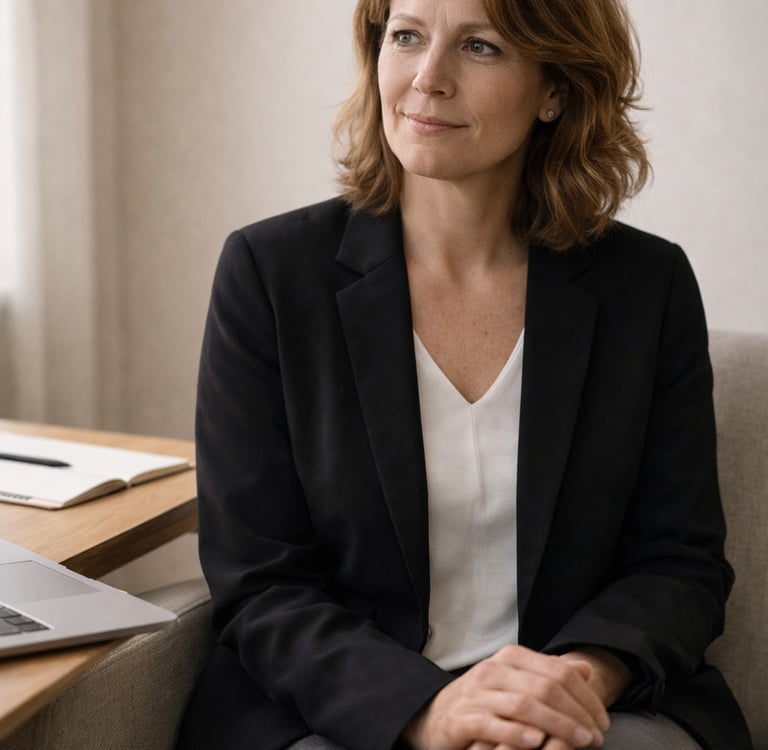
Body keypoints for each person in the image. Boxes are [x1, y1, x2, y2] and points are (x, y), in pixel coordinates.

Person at [176, 0, 752, 748]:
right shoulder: (270, 275)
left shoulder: (648, 285)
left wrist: (576, 679)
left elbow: (680, 562)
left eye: (480, 47)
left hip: (586, 708)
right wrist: (429, 710)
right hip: (345, 712)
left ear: (555, 90)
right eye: (407, 36)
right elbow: (260, 581)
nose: (427, 78)